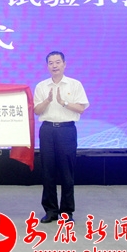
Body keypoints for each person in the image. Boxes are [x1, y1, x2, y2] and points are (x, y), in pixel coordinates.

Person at [34, 51, 89, 224]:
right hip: (47, 130)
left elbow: (81, 108)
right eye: (51, 63)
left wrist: (63, 102)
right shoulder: (41, 86)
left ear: (64, 64)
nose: (54, 65)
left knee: (67, 172)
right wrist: (48, 100)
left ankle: (66, 212)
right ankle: (50, 211)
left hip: (67, 130)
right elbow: (36, 111)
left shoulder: (74, 84)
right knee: (48, 171)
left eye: (58, 62)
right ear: (47, 66)